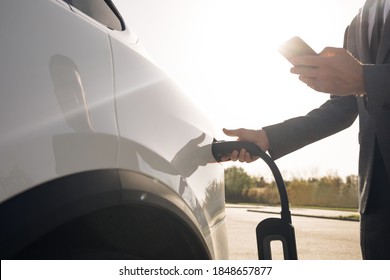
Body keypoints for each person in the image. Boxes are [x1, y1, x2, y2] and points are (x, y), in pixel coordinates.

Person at [223, 0, 390, 260]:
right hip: (377, 201)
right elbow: (342, 109)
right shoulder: (358, 23)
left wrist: (367, 79)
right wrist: (267, 137)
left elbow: (364, 81)